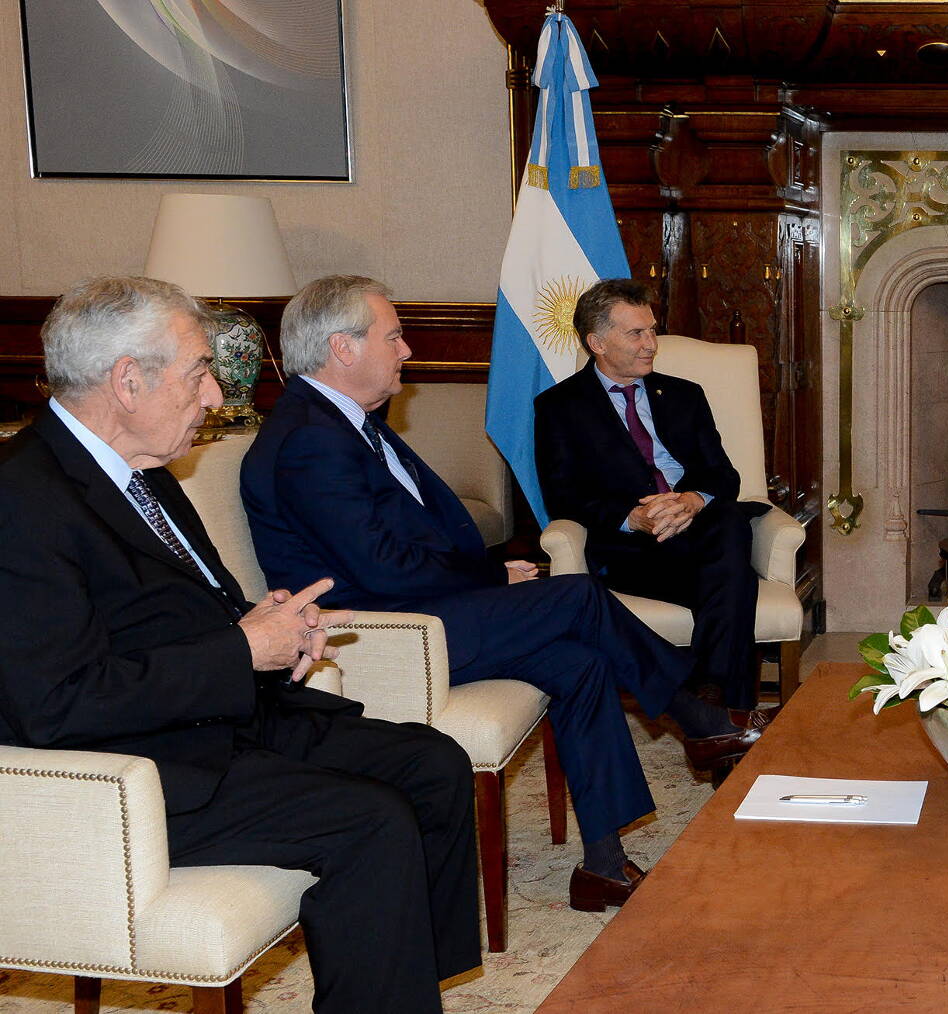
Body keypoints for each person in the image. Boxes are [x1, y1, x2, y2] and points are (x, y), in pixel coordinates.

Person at [0, 276, 479, 1012]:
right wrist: (239, 652)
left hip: (222, 719)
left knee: (433, 763)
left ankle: (408, 987)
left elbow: (179, 613)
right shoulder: (21, 500)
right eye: (199, 373)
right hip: (137, 771)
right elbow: (53, 702)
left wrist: (272, 629)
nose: (216, 398)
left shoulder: (140, 470)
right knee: (371, 821)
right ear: (128, 381)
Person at [241, 275, 759, 913]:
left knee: (582, 661)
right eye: (395, 336)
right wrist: (493, 576)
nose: (408, 351)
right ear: (342, 349)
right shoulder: (311, 440)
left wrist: (495, 568)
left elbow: (418, 544)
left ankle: (603, 864)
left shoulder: (348, 427)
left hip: (423, 612)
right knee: (577, 597)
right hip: (380, 635)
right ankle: (697, 716)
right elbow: (381, 570)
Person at [534, 278, 761, 710]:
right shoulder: (559, 407)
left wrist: (691, 501)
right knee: (735, 580)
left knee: (729, 520)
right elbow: (563, 496)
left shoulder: (684, 395)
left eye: (652, 330)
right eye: (636, 333)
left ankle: (709, 702)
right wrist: (632, 517)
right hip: (633, 548)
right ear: (596, 342)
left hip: (701, 531)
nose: (651, 344)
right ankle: (724, 706)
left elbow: (723, 476)